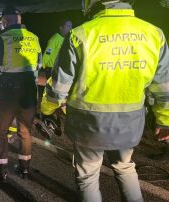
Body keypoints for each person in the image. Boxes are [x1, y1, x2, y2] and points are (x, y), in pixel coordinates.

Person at [40, 0, 169, 201]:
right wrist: (165, 120)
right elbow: (163, 86)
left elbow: (59, 86)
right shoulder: (155, 34)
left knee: (88, 176)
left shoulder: (80, 34)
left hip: (88, 124)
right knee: (125, 167)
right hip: (130, 122)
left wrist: (47, 108)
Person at [0, 6, 42, 181]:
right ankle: (24, 169)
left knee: (0, 131)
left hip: (9, 93)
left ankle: (0, 172)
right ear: (20, 20)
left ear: (5, 21)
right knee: (25, 132)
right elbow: (38, 67)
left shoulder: (2, 38)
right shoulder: (34, 38)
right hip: (30, 92)